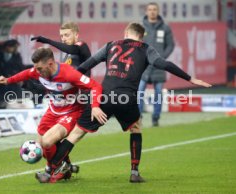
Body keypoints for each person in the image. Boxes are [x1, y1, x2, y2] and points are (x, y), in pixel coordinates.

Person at [39, 23, 211, 184]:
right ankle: (134, 172)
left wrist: (62, 82)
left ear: (126, 34)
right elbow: (164, 64)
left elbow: (85, 66)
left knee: (75, 135)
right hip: (126, 98)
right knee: (136, 128)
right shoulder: (146, 49)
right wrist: (190, 78)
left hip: (104, 96)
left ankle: (48, 171)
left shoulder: (111, 45)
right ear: (141, 37)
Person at [0, 47, 106, 183]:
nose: (37, 72)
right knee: (42, 144)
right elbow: (26, 73)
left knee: (47, 141)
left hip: (72, 112)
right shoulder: (38, 71)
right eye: (36, 68)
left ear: (50, 64)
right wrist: (8, 80)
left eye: (40, 68)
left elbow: (95, 86)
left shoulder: (69, 74)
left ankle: (49, 171)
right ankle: (65, 167)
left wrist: (95, 106)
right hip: (53, 111)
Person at [30, 22, 92, 176]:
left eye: (67, 35)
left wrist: (48, 41)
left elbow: (73, 50)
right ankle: (66, 166)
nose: (64, 38)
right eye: (62, 36)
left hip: (77, 105)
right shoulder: (67, 56)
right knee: (44, 140)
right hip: (63, 104)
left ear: (76, 35)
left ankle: (54, 168)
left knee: (50, 140)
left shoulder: (81, 47)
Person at [138, 2, 175, 126]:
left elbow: (171, 45)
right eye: (150, 9)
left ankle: (155, 117)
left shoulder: (165, 28)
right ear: (146, 11)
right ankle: (138, 118)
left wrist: (162, 57)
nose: (152, 12)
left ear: (158, 11)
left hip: (158, 65)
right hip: (143, 66)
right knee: (139, 92)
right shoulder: (140, 27)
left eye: (154, 9)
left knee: (158, 93)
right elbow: (135, 42)